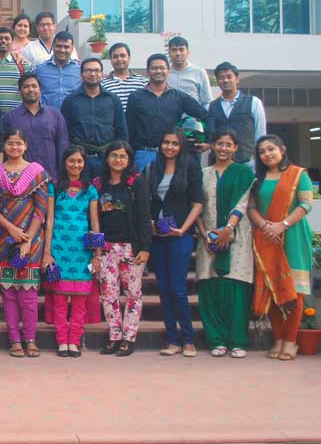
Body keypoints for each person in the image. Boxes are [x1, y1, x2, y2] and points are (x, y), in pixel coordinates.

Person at [246, 134, 314, 362]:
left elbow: (306, 204)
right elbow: (251, 208)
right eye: (262, 151)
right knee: (272, 290)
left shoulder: (298, 174)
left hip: (293, 236)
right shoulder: (258, 180)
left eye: (271, 149)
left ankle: (291, 341)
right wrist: (266, 226)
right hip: (266, 238)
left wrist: (282, 225)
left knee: (293, 291)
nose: (267, 154)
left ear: (282, 150)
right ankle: (278, 339)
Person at [0, 128, 51, 358]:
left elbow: (41, 209)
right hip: (2, 238)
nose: (14, 147)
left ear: (25, 146)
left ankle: (30, 339)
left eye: (18, 143)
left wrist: (27, 240)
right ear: (4, 146)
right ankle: (14, 340)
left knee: (29, 294)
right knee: (8, 293)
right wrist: (11, 229)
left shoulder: (36, 172)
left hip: (31, 241)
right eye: (10, 143)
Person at [194, 130, 256, 358]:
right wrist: (205, 235)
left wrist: (227, 230)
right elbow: (196, 206)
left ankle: (237, 341)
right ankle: (216, 339)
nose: (223, 148)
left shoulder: (243, 173)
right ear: (212, 145)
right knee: (209, 286)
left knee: (235, 287)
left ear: (235, 147)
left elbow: (243, 203)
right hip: (208, 238)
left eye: (228, 144)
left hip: (237, 237)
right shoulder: (202, 174)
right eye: (219, 143)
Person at [145, 129, 204, 357]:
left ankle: (188, 339)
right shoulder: (153, 167)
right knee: (163, 287)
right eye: (166, 142)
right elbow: (147, 201)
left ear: (181, 147)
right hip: (158, 235)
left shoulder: (190, 167)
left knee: (178, 289)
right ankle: (172, 339)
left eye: (174, 143)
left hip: (180, 235)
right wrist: (150, 223)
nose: (169, 147)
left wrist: (184, 229)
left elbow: (197, 204)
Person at [95, 140, 152, 357]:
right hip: (106, 249)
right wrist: (95, 250)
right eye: (114, 155)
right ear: (107, 158)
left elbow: (144, 217)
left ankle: (129, 338)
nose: (118, 160)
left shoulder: (136, 183)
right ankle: (114, 336)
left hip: (131, 248)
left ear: (129, 160)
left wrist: (145, 248)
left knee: (133, 295)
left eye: (122, 156)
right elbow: (93, 219)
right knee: (108, 294)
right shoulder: (98, 184)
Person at [43, 145, 101, 358]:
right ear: (64, 163)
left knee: (80, 301)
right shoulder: (54, 187)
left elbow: (94, 223)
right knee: (59, 300)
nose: (76, 165)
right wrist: (47, 252)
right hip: (59, 249)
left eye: (79, 161)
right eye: (71, 161)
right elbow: (49, 221)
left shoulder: (90, 190)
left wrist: (97, 255)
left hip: (82, 252)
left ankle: (74, 341)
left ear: (84, 164)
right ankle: (62, 341)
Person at [126, 54, 207, 172]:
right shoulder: (135, 97)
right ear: (148, 72)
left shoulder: (179, 97)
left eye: (162, 68)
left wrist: (207, 141)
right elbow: (129, 128)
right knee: (143, 184)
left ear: (168, 71)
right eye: (154, 68)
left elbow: (205, 115)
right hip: (144, 155)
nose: (158, 71)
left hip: (172, 154)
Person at [60, 58, 128, 176]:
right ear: (81, 74)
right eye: (88, 70)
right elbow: (64, 132)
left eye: (96, 70)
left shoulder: (113, 100)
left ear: (102, 74)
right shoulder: (71, 100)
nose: (93, 74)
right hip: (79, 160)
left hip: (107, 159)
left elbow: (121, 131)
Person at [2, 73, 68, 181]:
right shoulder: (11, 118)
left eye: (34, 86)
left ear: (40, 89)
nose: (31, 89)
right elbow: (6, 149)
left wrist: (62, 176)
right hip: (20, 180)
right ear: (20, 91)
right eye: (26, 86)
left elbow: (63, 146)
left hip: (51, 178)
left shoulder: (55, 115)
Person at [206, 62, 267, 166]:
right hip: (219, 164)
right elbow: (211, 135)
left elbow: (260, 134)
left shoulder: (253, 102)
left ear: (237, 79)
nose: (225, 80)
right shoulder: (211, 106)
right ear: (217, 81)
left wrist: (258, 160)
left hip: (247, 163)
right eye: (221, 78)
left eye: (229, 77)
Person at [0, 26, 34, 113]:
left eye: (7, 38)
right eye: (0, 38)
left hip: (17, 116)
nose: (3, 41)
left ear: (12, 41)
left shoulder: (23, 64)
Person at [34, 31, 81, 111]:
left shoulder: (80, 70)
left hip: (73, 116)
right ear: (53, 46)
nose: (62, 50)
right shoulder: (39, 70)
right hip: (47, 116)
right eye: (59, 46)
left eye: (66, 47)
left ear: (72, 49)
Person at [166, 36, 212, 107]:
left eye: (181, 50)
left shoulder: (199, 72)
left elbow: (206, 101)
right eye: (174, 50)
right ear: (169, 53)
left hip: (193, 113)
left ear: (187, 52)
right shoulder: (164, 72)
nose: (178, 53)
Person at [100, 43, 148, 111]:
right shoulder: (102, 84)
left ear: (129, 58)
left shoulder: (143, 82)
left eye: (122, 55)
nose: (119, 59)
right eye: (115, 56)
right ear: (111, 60)